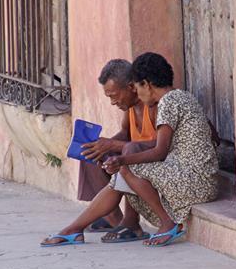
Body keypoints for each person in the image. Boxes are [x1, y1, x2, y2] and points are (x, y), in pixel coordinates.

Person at [40, 52, 218, 247]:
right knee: (123, 171)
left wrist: (121, 160)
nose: (137, 93)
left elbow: (159, 151)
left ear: (145, 84)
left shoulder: (167, 102)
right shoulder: (181, 97)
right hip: (198, 178)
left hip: (195, 181)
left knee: (127, 169)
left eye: (136, 86)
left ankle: (166, 223)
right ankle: (75, 229)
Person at [41, 59, 157, 246]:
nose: (112, 102)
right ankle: (116, 221)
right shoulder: (128, 108)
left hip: (150, 160)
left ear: (130, 87)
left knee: (127, 154)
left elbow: (156, 146)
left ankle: (131, 223)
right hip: (134, 153)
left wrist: (113, 145)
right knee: (91, 153)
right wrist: (103, 145)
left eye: (114, 96)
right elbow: (126, 135)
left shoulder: (151, 105)